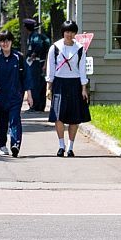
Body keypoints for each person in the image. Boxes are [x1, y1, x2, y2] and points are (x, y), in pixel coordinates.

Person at [45, 19, 91, 157]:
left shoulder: (80, 49)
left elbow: (82, 69)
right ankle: (61, 145)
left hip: (75, 83)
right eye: (67, 31)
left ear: (75, 33)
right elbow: (50, 68)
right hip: (59, 84)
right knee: (58, 116)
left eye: (71, 32)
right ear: (63, 32)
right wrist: (49, 87)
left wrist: (84, 88)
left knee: (74, 117)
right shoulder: (55, 48)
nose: (69, 34)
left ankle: (70, 147)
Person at [0, 31, 28, 157]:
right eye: (2, 41)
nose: (5, 43)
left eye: (7, 40)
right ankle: (1, 144)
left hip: (15, 95)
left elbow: (26, 77)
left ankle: (15, 144)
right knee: (1, 122)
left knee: (15, 119)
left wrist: (29, 94)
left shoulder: (18, 57)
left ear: (11, 41)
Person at [23, 17, 50, 113]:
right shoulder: (36, 35)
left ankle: (34, 106)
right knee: (41, 84)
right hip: (40, 62)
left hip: (35, 63)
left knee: (34, 84)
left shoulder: (34, 36)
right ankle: (40, 106)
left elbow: (38, 46)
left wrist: (33, 55)